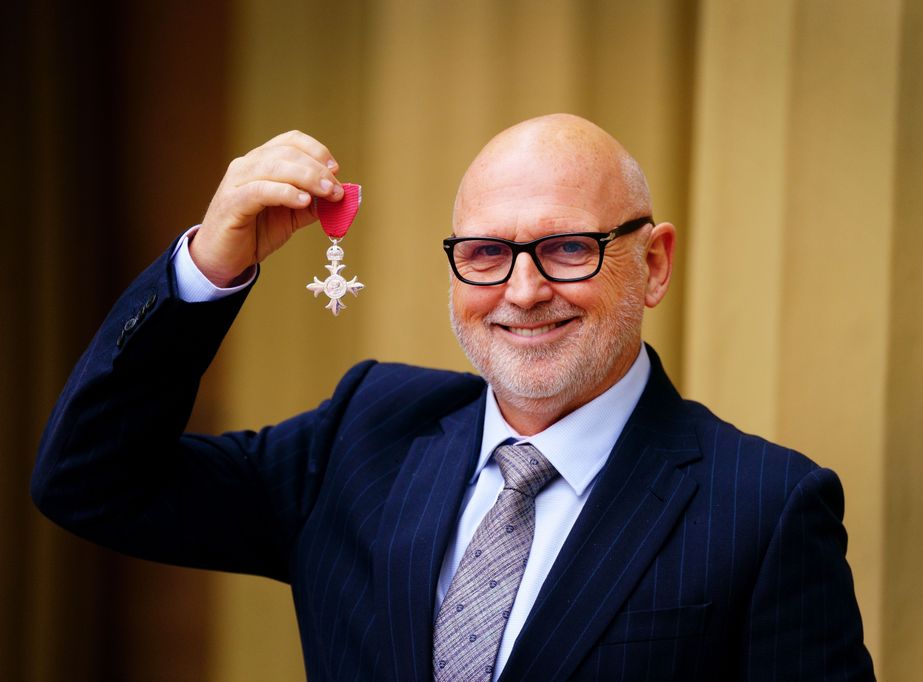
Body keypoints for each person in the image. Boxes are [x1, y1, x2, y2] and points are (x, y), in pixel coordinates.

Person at [32, 114, 875, 680]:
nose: (522, 290)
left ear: (652, 264)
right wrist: (209, 272)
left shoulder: (765, 508)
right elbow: (91, 480)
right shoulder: (364, 433)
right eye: (483, 254)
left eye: (569, 248)